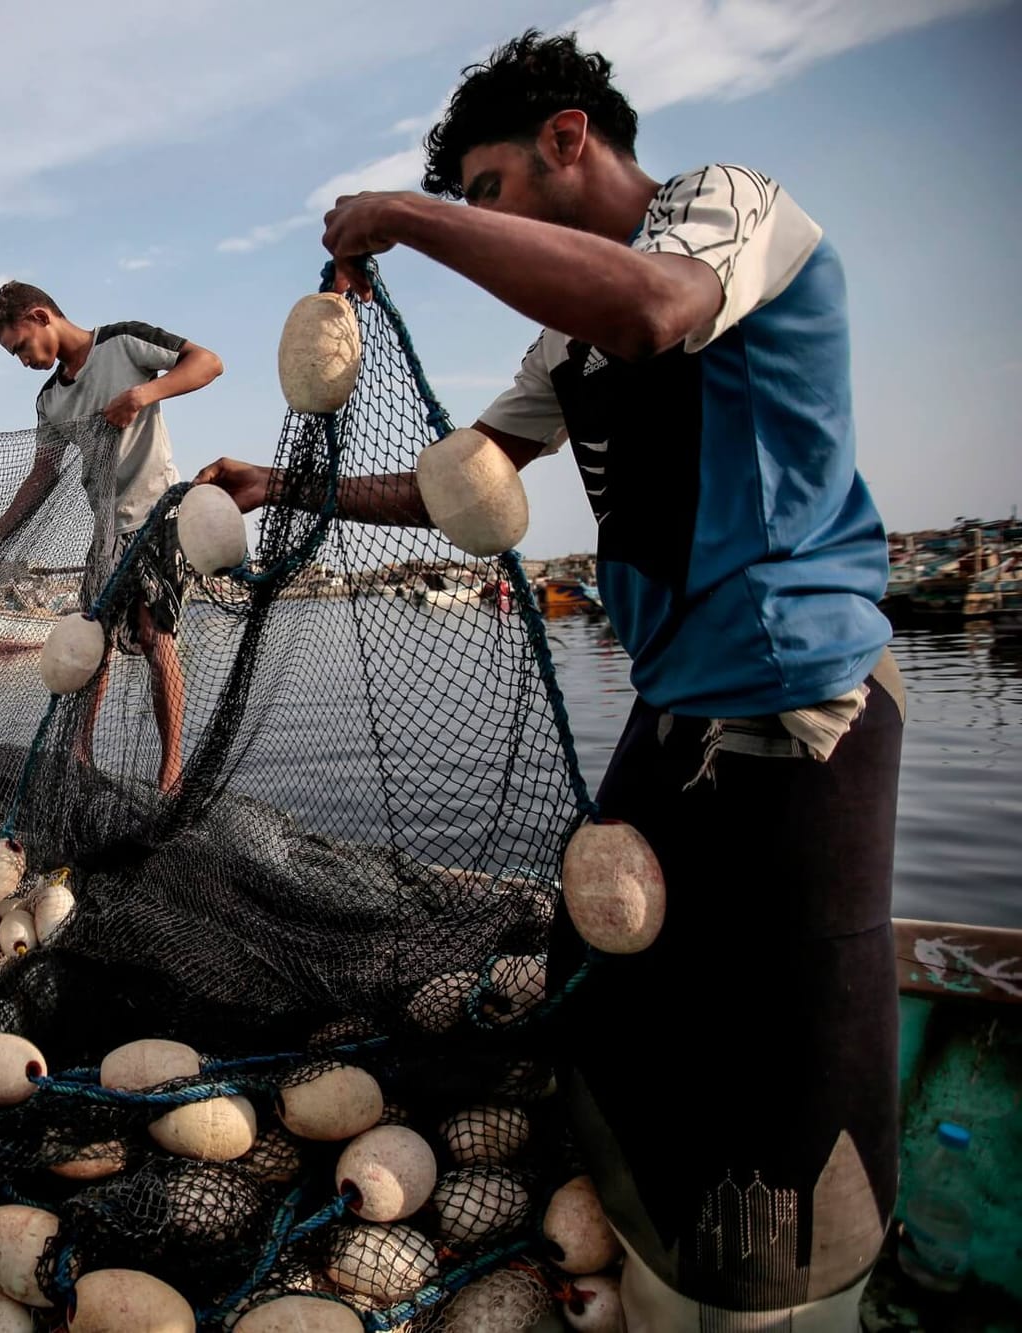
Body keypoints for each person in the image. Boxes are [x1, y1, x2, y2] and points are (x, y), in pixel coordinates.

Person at [194, 31, 900, 1329]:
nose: (481, 222)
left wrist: (404, 216)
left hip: (803, 700)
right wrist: (277, 481)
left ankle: (791, 1293)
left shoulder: (724, 216)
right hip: (680, 708)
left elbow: (659, 312)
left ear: (570, 139)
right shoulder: (565, 357)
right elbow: (448, 481)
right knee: (603, 961)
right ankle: (644, 1240)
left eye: (492, 188)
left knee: (788, 1029)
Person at [0, 281, 223, 792]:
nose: (22, 360)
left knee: (157, 639)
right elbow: (41, 477)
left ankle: (170, 770)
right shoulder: (49, 401)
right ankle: (80, 753)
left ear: (42, 316)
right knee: (92, 643)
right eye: (13, 355)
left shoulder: (122, 343)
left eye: (20, 346)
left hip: (159, 517)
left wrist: (143, 394)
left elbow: (208, 362)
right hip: (107, 533)